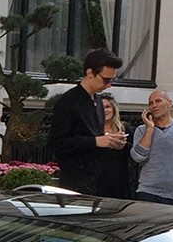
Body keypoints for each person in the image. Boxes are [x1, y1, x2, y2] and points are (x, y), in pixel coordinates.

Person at [48, 48, 126, 194]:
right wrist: (96, 141)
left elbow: (94, 138)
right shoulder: (68, 102)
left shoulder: (97, 101)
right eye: (106, 79)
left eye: (112, 80)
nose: (109, 85)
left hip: (97, 181)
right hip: (75, 183)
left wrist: (111, 141)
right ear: (90, 73)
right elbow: (56, 143)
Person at [130, 88, 173, 207]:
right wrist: (150, 129)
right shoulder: (142, 130)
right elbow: (138, 157)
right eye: (151, 103)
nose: (154, 106)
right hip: (147, 193)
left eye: (158, 101)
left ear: (169, 103)